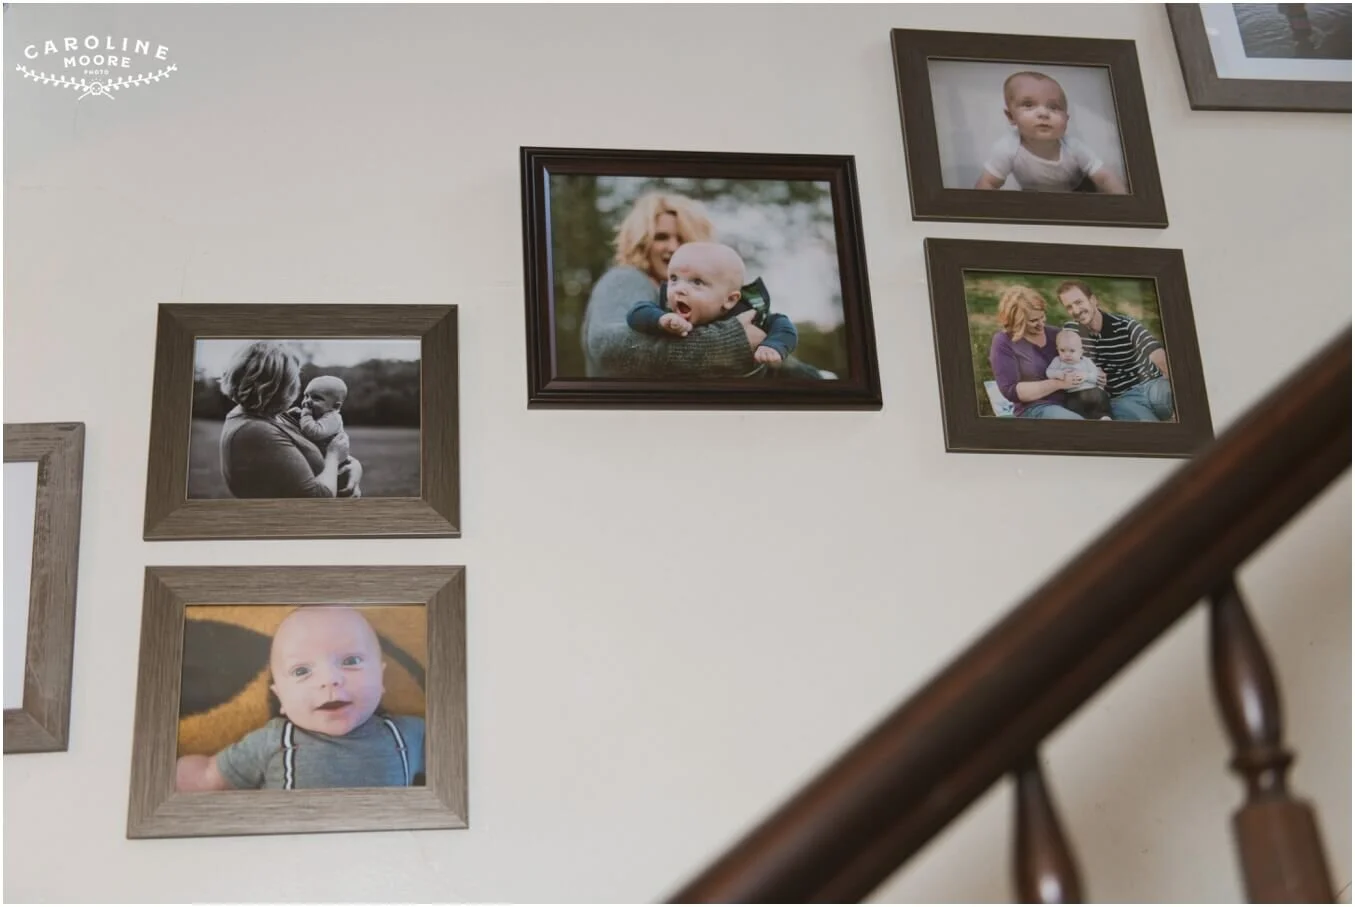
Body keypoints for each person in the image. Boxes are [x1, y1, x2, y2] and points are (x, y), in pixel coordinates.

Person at [174, 606, 424, 791]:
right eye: (301, 671)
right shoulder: (274, 740)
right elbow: (207, 775)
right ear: (280, 697)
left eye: (351, 661)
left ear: (381, 679)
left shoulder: (407, 733)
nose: (330, 679)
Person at [580, 192, 767, 379]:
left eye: (683, 239)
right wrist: (728, 342)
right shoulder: (627, 278)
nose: (673, 247)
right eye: (661, 237)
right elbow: (606, 347)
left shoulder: (696, 299)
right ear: (641, 241)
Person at [626, 241, 800, 374]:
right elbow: (636, 312)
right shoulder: (668, 310)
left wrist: (773, 345)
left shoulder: (748, 313)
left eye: (697, 282)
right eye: (674, 278)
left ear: (730, 300)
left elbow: (783, 325)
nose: (679, 289)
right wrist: (660, 319)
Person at [216, 342, 362, 498]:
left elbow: (323, 448)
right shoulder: (254, 430)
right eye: (293, 380)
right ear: (274, 387)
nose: (297, 386)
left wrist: (355, 466)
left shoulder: (276, 415)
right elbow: (318, 498)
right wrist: (333, 457)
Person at [974, 71, 1127, 194]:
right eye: (1028, 105)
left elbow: (1105, 178)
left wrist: (1126, 207)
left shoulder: (1073, 147)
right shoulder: (1007, 148)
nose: (1043, 113)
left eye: (1053, 107)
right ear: (1011, 116)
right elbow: (988, 182)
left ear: (1066, 120)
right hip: (1036, 199)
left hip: (1080, 192)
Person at [1055, 279, 1174, 422]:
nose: (1075, 310)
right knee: (1147, 426)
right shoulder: (1071, 332)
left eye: (1079, 302)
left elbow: (1158, 355)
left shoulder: (1125, 324)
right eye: (1069, 307)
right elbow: (1070, 365)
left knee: (1174, 403)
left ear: (1093, 300)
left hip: (1153, 384)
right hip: (1123, 397)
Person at [988, 286, 1089, 420]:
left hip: (1072, 399)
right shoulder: (1004, 341)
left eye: (1042, 317)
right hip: (1036, 407)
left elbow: (1080, 360)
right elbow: (1011, 391)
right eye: (1033, 321)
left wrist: (1092, 372)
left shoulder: (1056, 334)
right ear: (1017, 322)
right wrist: (1057, 384)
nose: (1041, 324)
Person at [283, 375, 362, 498]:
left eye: (316, 398)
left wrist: (305, 415)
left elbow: (314, 432)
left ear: (336, 407)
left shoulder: (333, 418)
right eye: (306, 395)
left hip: (337, 470)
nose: (307, 401)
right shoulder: (317, 415)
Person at [1045, 329, 1112, 420]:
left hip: (1091, 390)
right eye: (1062, 350)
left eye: (1072, 351)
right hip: (1074, 393)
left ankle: (1105, 416)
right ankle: (1087, 420)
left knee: (1102, 398)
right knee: (1073, 407)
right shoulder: (1058, 361)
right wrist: (1059, 374)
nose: (1067, 354)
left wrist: (1086, 376)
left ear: (1081, 352)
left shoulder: (1086, 361)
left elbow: (1096, 375)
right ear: (1057, 350)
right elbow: (1049, 372)